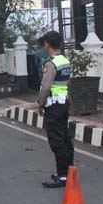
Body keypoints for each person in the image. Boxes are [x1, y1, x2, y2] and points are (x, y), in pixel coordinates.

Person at [37, 31, 74, 189]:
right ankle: (69, 171)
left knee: (56, 141)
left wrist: (40, 103)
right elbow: (67, 84)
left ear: (47, 44)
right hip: (64, 103)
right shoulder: (64, 60)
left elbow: (45, 87)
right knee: (65, 139)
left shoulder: (50, 63)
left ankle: (63, 176)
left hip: (53, 106)